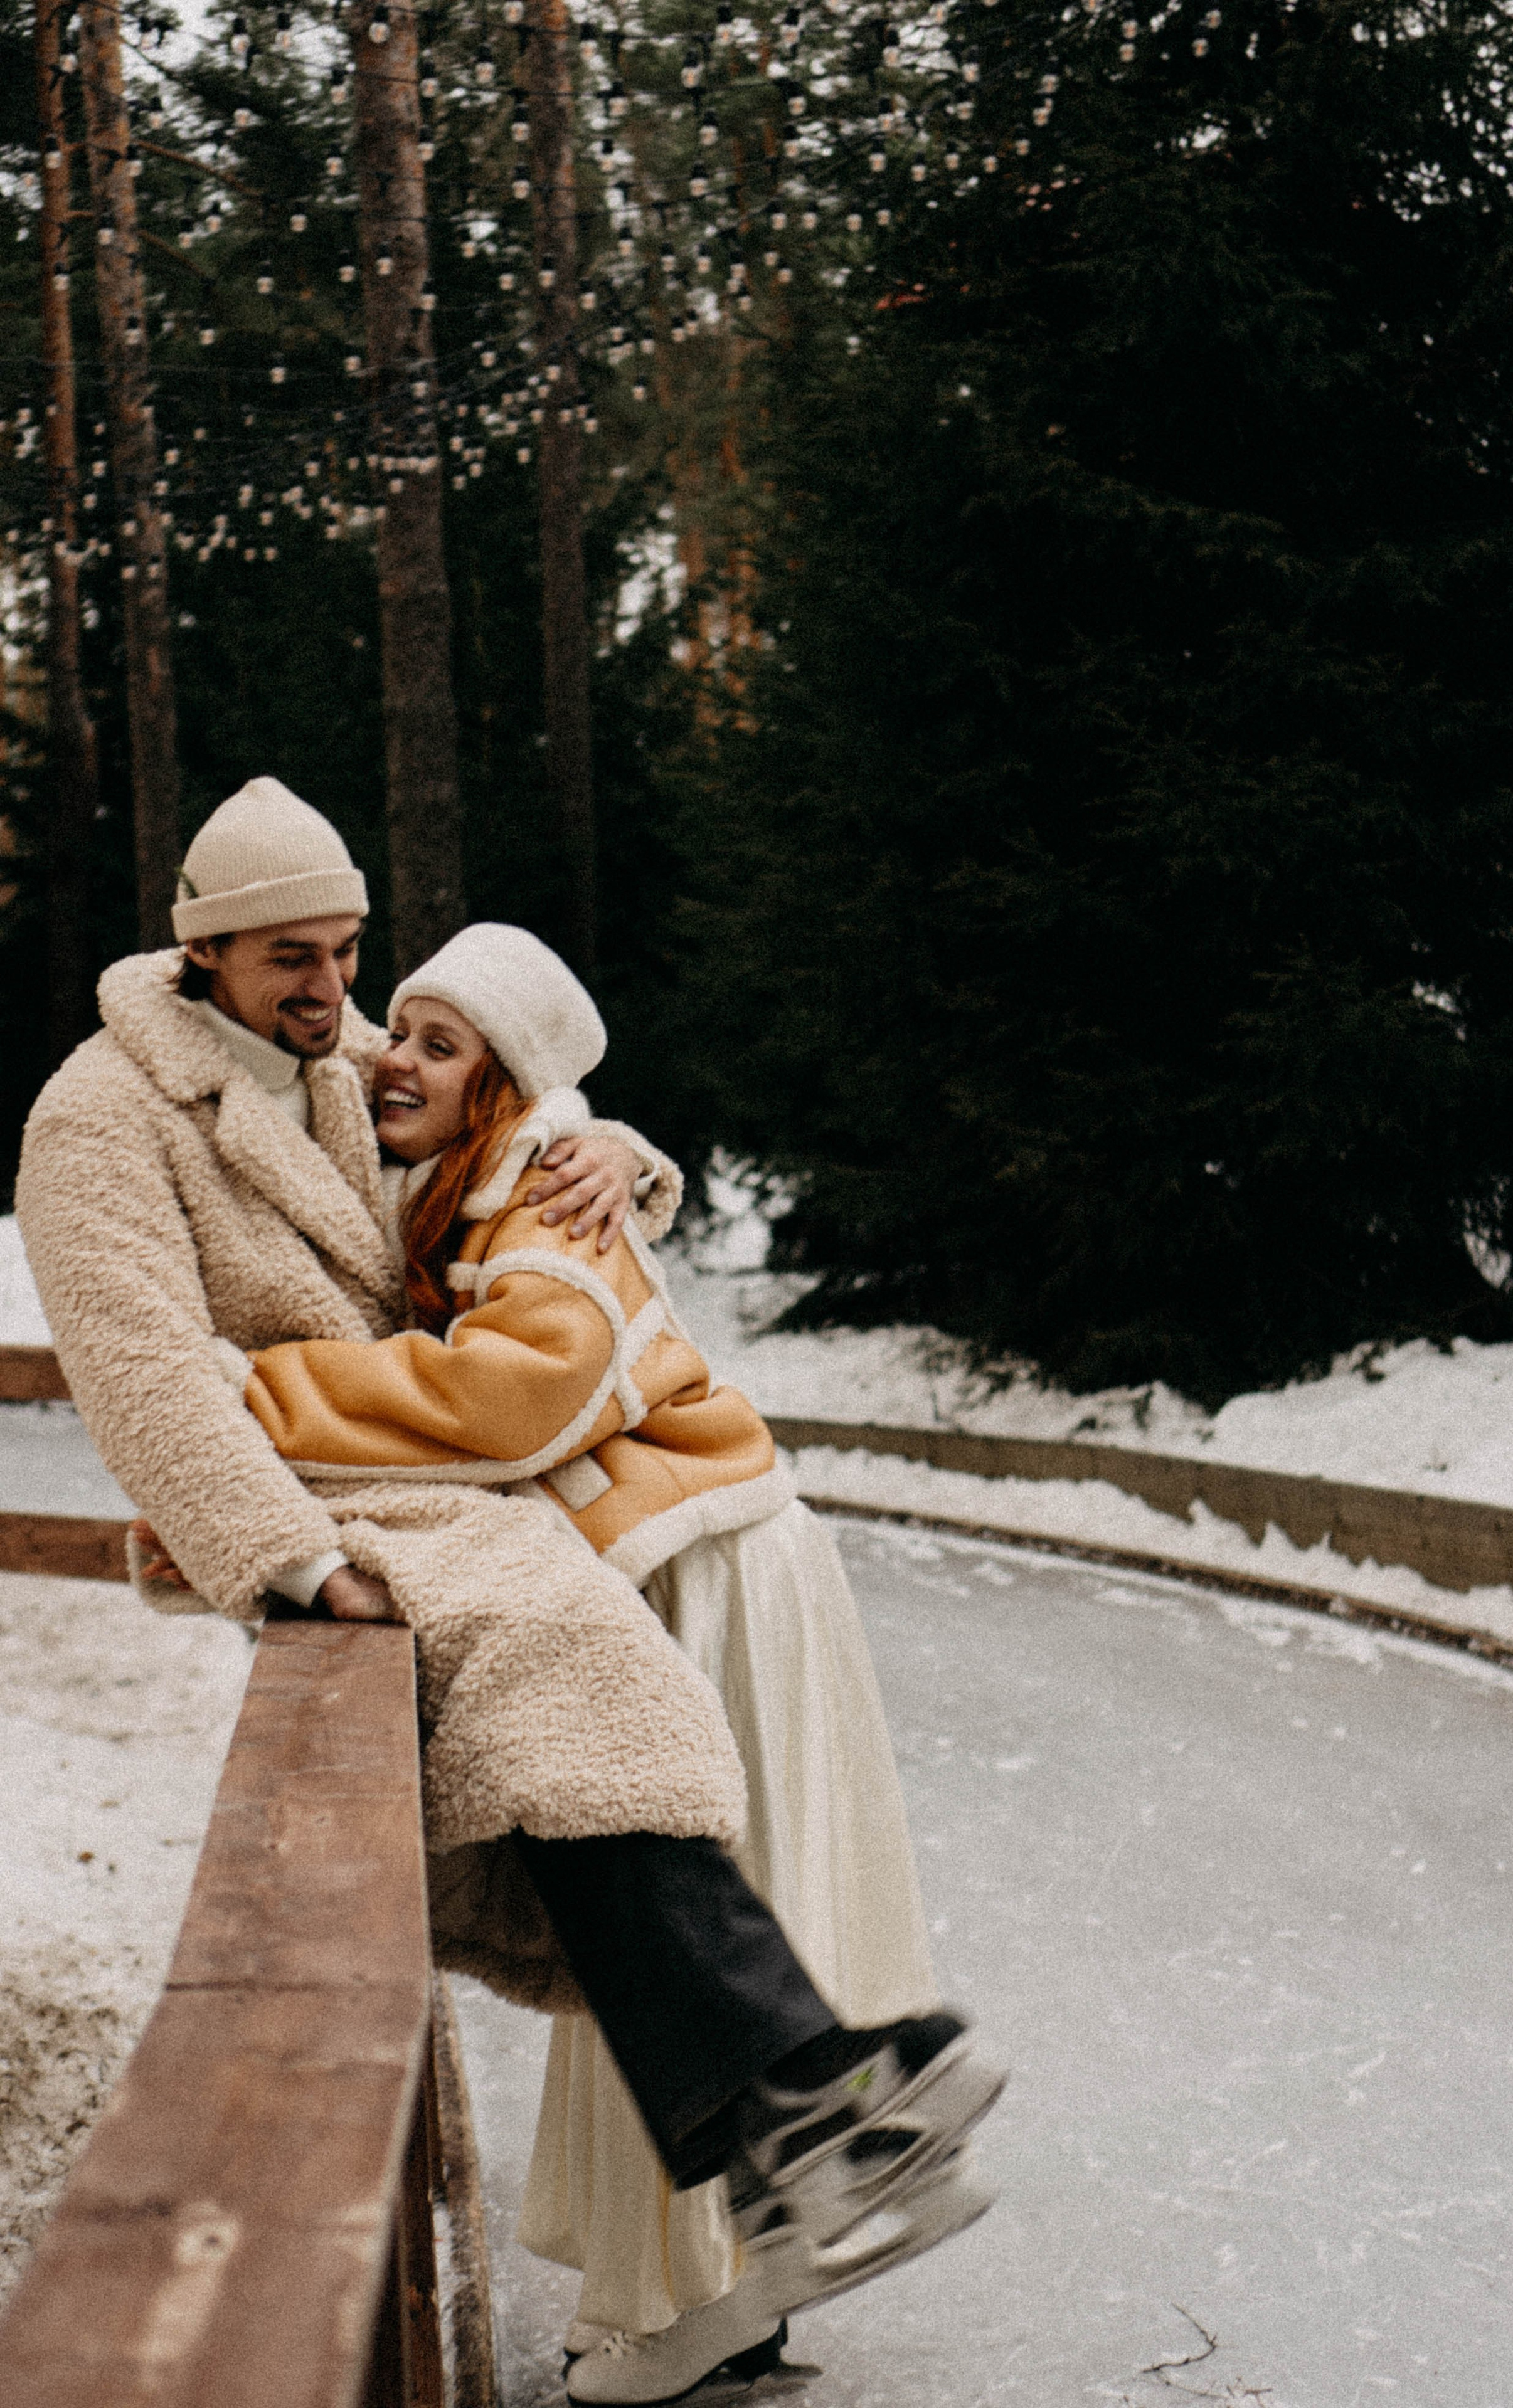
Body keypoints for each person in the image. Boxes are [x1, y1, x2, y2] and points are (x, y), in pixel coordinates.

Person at [16, 780, 1004, 2407]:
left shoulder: (327, 1063)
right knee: (565, 1679)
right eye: (292, 959)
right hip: (312, 1499)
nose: (335, 997)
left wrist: (626, 1155)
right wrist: (283, 1559)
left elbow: (504, 1136)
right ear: (201, 948)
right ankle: (806, 2113)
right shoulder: (100, 1119)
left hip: (430, 1482)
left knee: (593, 1716)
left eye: (344, 953)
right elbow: (141, 1383)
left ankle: (795, 2130)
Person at [213, 919, 958, 2382]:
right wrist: (627, 1142)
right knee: (669, 1915)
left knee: (676, 1900)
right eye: (396, 1028)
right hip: (674, 1559)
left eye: (438, 1042)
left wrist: (259, 1397)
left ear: (507, 1082)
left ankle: (714, 2289)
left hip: (707, 1567)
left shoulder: (546, 1192)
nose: (391, 1061)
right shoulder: (487, 1170)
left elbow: (517, 1398)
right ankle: (735, 2277)